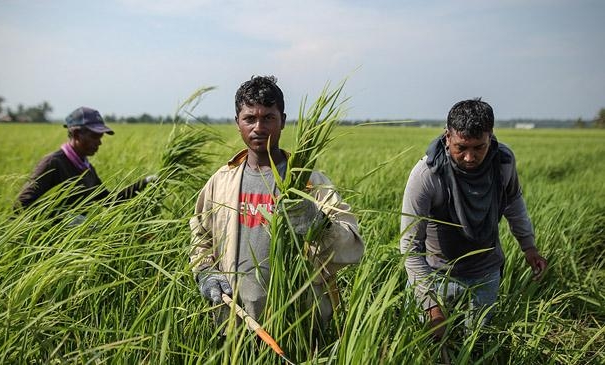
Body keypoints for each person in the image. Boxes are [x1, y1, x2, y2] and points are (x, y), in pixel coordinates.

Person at [189, 76, 364, 332]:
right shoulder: (221, 181)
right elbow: (201, 235)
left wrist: (317, 222)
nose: (258, 127)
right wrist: (205, 272)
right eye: (250, 118)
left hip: (300, 322)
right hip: (235, 322)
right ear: (237, 122)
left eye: (268, 117)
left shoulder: (309, 183)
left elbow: (352, 244)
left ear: (282, 120)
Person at [400, 98, 548, 339]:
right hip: (436, 275)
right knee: (429, 346)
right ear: (447, 137)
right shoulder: (427, 175)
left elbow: (513, 203)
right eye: (461, 148)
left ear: (490, 136)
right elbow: (410, 246)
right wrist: (431, 306)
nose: (469, 157)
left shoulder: (503, 163)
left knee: (477, 343)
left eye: (479, 147)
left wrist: (529, 247)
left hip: (485, 274)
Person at [16, 106, 156, 219]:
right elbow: (22, 204)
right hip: (45, 245)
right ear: (76, 134)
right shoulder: (54, 163)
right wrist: (63, 220)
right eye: (95, 136)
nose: (100, 142)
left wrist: (144, 183)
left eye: (101, 137)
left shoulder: (86, 168)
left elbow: (109, 200)